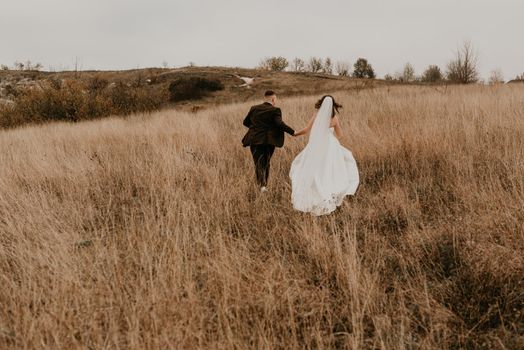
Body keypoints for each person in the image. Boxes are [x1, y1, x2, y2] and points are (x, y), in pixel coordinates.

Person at [290, 95, 359, 215]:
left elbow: (306, 129)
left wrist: (295, 133)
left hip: (317, 143)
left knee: (315, 165)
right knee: (331, 165)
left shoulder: (317, 114)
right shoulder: (334, 118)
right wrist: (331, 135)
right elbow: (340, 135)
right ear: (333, 105)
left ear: (321, 103)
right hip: (330, 144)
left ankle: (316, 185)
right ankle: (331, 185)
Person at [242, 90, 295, 192]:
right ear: (273, 99)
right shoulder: (275, 110)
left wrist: (256, 128)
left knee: (258, 163)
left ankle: (261, 186)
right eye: (276, 99)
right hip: (268, 141)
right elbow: (279, 124)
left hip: (254, 139)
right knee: (266, 162)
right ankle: (264, 186)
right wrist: (293, 132)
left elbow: (245, 122)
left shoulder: (254, 108)